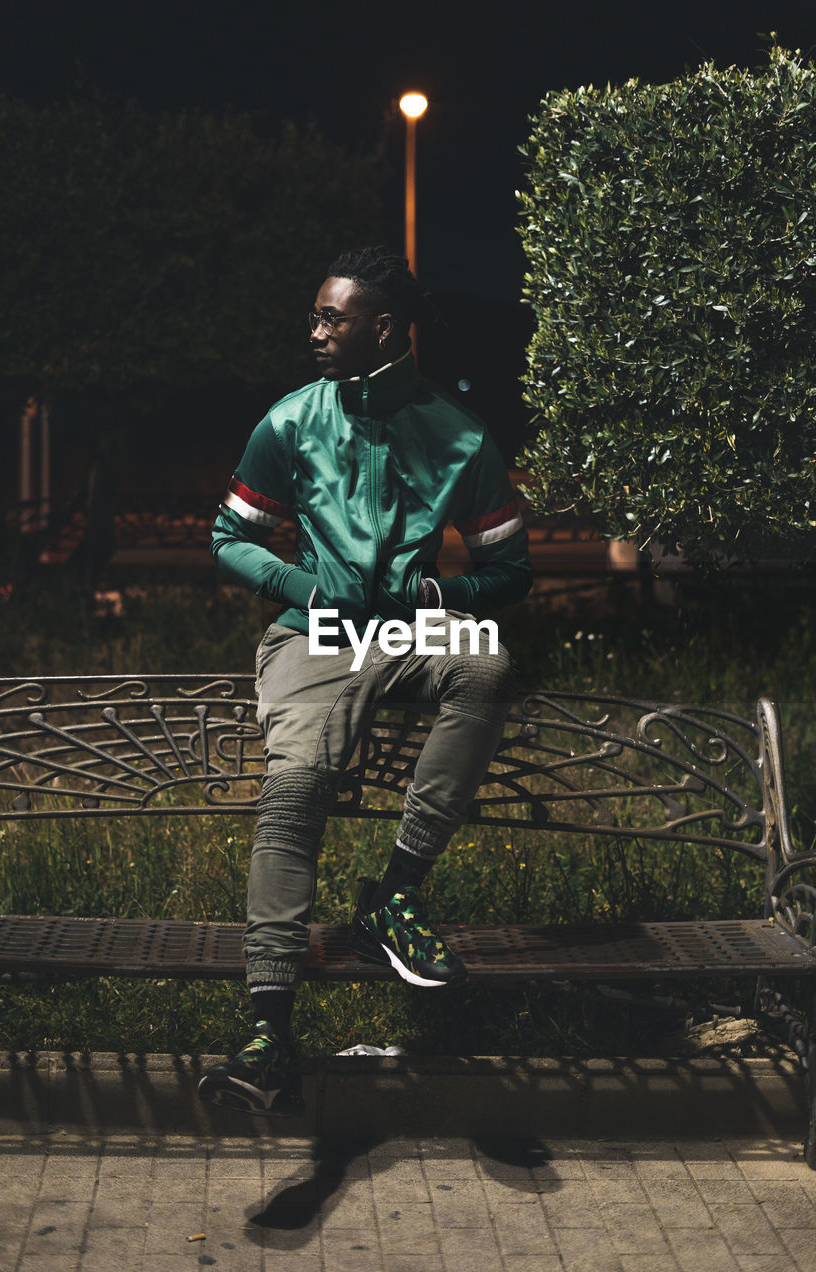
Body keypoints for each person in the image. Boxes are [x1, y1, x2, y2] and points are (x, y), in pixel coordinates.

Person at [198, 246, 532, 1116]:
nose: (313, 331)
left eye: (329, 318)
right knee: (295, 785)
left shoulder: (458, 435)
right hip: (310, 636)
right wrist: (306, 586)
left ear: (382, 328)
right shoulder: (289, 421)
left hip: (405, 628)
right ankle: (269, 1031)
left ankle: (392, 896)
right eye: (315, 316)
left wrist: (433, 593)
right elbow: (228, 536)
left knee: (486, 662)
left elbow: (508, 570)